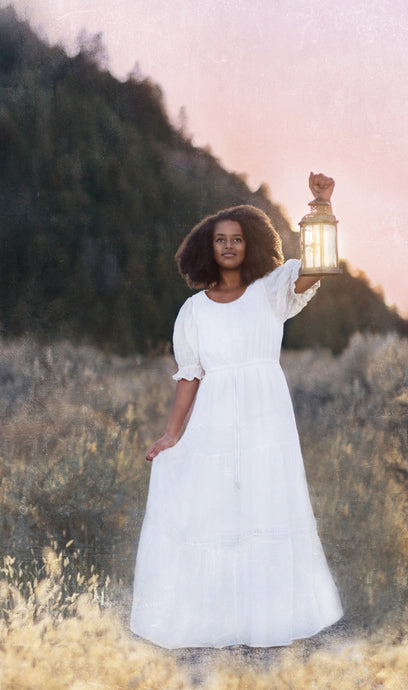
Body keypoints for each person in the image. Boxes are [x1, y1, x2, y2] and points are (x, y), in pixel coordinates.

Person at [130, 173, 343, 649]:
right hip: (216, 417)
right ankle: (217, 620)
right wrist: (171, 436)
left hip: (267, 414)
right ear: (207, 248)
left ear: (251, 245)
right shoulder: (193, 311)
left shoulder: (272, 290)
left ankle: (265, 620)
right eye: (220, 240)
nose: (229, 246)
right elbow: (190, 376)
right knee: (218, 510)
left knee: (266, 504)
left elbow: (318, 266)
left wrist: (322, 207)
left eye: (237, 239)